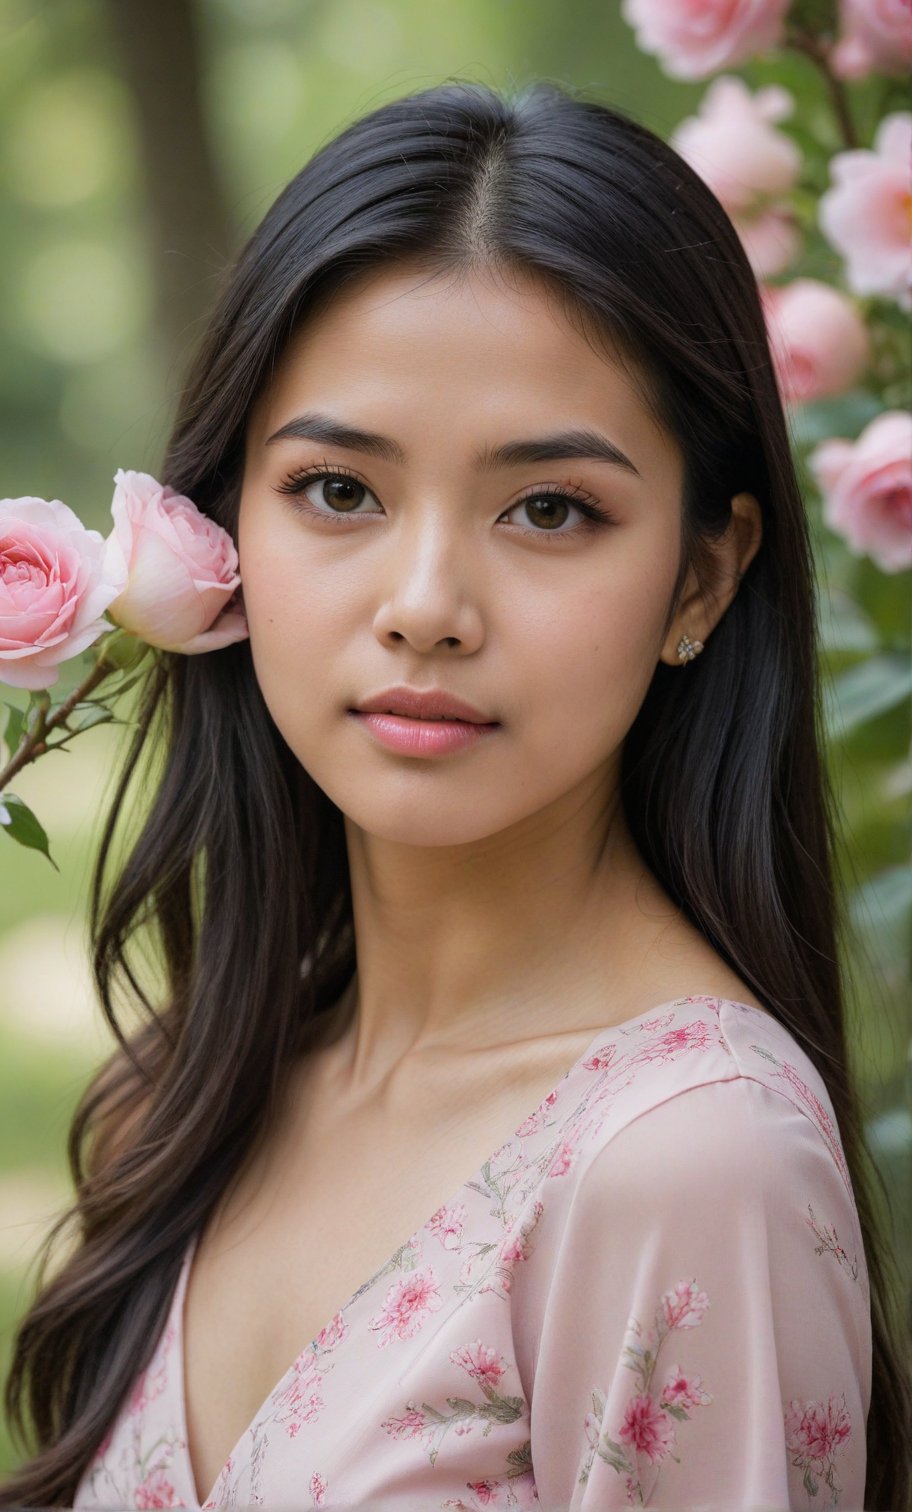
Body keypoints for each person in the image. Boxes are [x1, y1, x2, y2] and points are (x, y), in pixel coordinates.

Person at [1, 78, 908, 1512]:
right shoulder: (192, 1097)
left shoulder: (690, 1166)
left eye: (549, 509)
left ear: (702, 576)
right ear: (225, 523)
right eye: (339, 491)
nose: (426, 607)